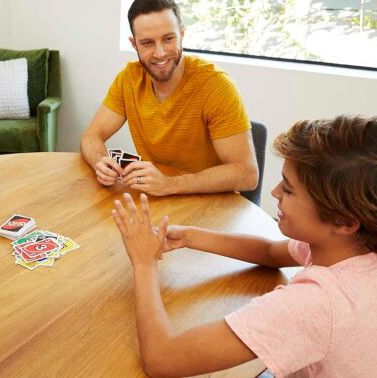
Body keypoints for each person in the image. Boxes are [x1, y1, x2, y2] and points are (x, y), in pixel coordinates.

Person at [111, 115, 377, 377]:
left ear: (344, 221)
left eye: (289, 189)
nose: (274, 192)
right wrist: (190, 237)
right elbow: (270, 252)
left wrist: (144, 263)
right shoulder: (350, 247)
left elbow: (162, 359)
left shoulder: (316, 304)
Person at [81, 0, 258, 196]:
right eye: (148, 43)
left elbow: (247, 174)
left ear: (182, 35)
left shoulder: (216, 85)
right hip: (158, 199)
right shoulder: (129, 79)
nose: (160, 53)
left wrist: (169, 184)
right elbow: (91, 136)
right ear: (134, 44)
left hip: (211, 205)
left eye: (168, 39)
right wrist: (100, 162)